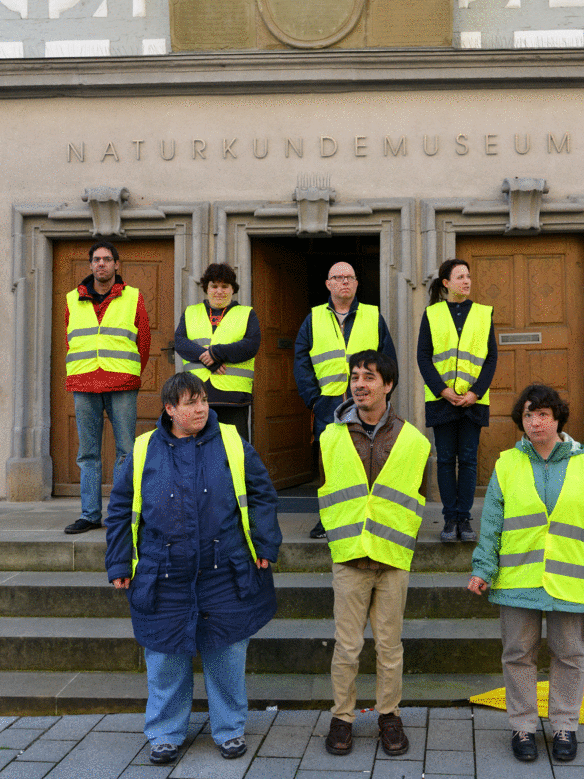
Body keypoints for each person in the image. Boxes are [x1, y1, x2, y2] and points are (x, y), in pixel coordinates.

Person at [105, 372, 281, 766]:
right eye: (190, 402)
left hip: (224, 569)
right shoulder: (144, 448)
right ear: (170, 409)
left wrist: (266, 543)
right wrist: (119, 560)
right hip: (162, 572)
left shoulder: (232, 442)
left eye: (203, 400)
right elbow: (119, 509)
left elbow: (262, 494)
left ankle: (230, 729)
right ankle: (165, 734)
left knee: (227, 652)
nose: (201, 408)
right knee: (165, 657)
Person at [468, 384, 584, 765]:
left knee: (569, 655)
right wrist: (483, 569)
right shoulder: (507, 463)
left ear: (557, 420)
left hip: (570, 581)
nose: (535, 422)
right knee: (518, 654)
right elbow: (492, 524)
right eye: (528, 416)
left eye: (543, 415)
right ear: (521, 421)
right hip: (518, 579)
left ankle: (565, 725)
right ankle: (523, 725)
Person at [318, 349, 430, 758]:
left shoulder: (414, 440)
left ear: (388, 384)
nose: (359, 384)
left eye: (369, 377)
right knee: (346, 646)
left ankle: (388, 714)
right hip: (349, 556)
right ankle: (342, 717)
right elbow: (328, 493)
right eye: (354, 377)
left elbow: (418, 497)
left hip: (393, 557)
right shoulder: (330, 437)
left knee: (389, 645)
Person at [294, 261, 398, 538]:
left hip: (366, 401)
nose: (344, 282)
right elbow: (301, 360)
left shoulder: (372, 315)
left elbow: (388, 359)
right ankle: (328, 519)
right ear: (328, 284)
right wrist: (312, 399)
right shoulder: (313, 318)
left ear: (356, 284)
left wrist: (382, 397)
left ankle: (366, 517)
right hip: (327, 401)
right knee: (330, 461)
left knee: (367, 458)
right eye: (338, 278)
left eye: (350, 277)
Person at [64, 241, 151, 534]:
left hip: (122, 381)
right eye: (96, 259)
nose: (101, 264)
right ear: (90, 265)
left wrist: (133, 371)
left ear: (116, 265)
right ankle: (89, 515)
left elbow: (145, 342)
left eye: (107, 259)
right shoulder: (71, 299)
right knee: (88, 453)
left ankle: (121, 513)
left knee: (126, 450)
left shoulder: (133, 297)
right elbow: (71, 339)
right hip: (84, 381)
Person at [417, 258, 497, 543]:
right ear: (446, 283)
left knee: (468, 459)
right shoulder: (432, 314)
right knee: (445, 460)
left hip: (473, 401)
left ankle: (465, 518)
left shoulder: (483, 314)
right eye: (460, 276)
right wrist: (443, 390)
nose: (467, 281)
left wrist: (475, 392)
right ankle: (450, 519)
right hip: (442, 401)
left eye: (469, 276)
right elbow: (423, 357)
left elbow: (490, 359)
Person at [174, 262, 260, 442]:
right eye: (214, 286)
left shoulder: (246, 313)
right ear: (206, 288)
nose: (219, 291)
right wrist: (210, 360)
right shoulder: (191, 312)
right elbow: (180, 342)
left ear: (232, 289)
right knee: (199, 447)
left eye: (224, 286)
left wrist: (216, 352)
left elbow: (250, 345)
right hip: (196, 395)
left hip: (233, 396)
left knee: (234, 449)